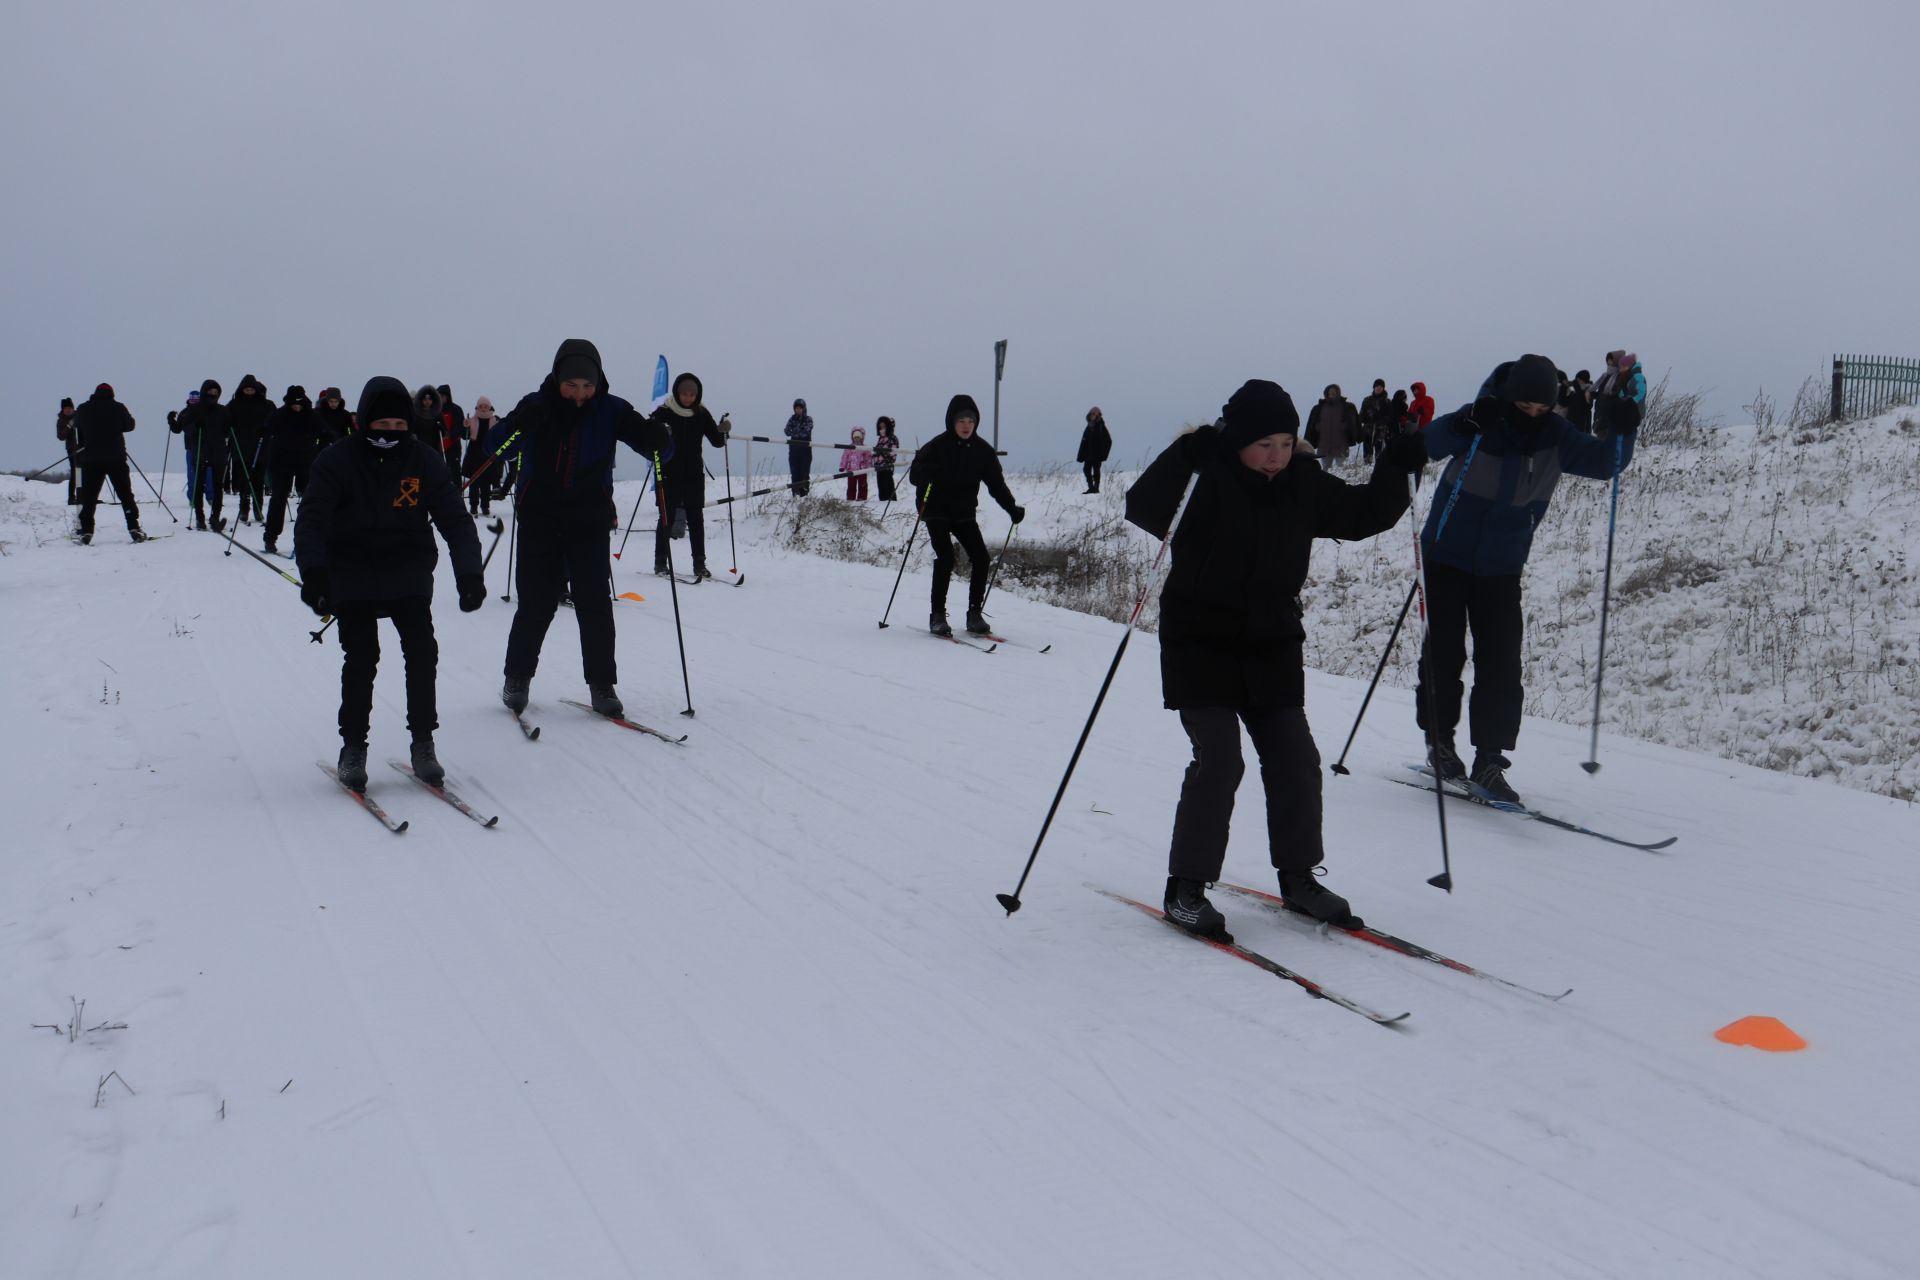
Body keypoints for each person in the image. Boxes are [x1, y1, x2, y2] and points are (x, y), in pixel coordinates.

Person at [1124, 379, 1428, 938]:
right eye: (1264, 445)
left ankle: (1298, 877)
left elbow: (1363, 515)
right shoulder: (1205, 478)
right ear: (1237, 440)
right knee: (1220, 760)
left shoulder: (1302, 485)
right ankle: (1185, 888)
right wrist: (1184, 455)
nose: (1276, 457)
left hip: (1270, 643)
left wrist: (1397, 468)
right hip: (1200, 642)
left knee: (1295, 758)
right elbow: (1143, 508)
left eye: (1286, 444)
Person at [1412, 353, 1638, 804]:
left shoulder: (1557, 436)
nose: (1534, 415)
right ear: (1510, 397)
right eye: (1525, 407)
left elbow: (1607, 462)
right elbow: (1429, 444)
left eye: (1542, 408)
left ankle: (1490, 759)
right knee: (1444, 652)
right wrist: (1465, 423)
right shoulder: (1483, 416)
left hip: (1502, 564)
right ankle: (1440, 745)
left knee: (1502, 661)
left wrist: (1625, 424)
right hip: (1446, 555)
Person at [296, 376, 485, 791]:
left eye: (400, 427)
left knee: (421, 650)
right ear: (363, 421)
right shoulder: (336, 461)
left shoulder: (424, 461)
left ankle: (423, 741)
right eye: (382, 425)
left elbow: (455, 519)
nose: (391, 434)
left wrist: (469, 573)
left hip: (407, 570)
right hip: (352, 573)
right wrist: (315, 573)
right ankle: (353, 748)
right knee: (362, 657)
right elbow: (312, 521)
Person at [476, 338, 672, 718]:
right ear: (557, 377)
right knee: (537, 601)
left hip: (589, 516)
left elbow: (659, 450)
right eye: (571, 385)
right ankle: (517, 678)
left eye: (587, 386)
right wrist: (518, 425)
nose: (580, 394)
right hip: (540, 516)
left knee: (594, 601)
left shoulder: (612, 410)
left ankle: (602, 684)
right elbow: (495, 449)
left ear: (598, 381)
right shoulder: (536, 404)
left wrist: (660, 440)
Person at [906, 394, 1024, 636]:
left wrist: (1012, 508)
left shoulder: (983, 452)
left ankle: (974, 614)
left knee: (981, 558)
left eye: (970, 420)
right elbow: (915, 476)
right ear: (952, 422)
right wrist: (928, 470)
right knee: (946, 557)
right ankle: (937, 616)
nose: (966, 425)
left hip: (963, 512)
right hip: (935, 509)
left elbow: (996, 485)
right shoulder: (937, 446)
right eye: (961, 420)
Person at [650, 371, 728, 578]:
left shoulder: (701, 414)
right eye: (684, 394)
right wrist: (656, 430)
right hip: (669, 473)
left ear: (697, 395)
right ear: (677, 393)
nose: (688, 398)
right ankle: (660, 562)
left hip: (693, 473)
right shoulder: (664, 412)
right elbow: (648, 436)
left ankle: (699, 564)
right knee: (666, 517)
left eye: (692, 395)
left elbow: (717, 441)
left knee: (696, 518)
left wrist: (723, 431)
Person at [70, 383, 146, 544]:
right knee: (125, 494)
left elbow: (76, 425)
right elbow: (130, 425)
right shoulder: (118, 407)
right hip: (115, 458)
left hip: (90, 459)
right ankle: (133, 527)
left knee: (89, 497)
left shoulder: (83, 408)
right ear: (111, 394)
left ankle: (87, 531)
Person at [260, 385, 321, 555]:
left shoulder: (312, 416)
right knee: (278, 500)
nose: (297, 406)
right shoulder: (279, 415)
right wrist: (262, 432)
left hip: (305, 463)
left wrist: (332, 437)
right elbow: (266, 427)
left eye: (300, 403)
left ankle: (306, 538)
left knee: (308, 502)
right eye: (294, 403)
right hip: (281, 464)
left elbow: (323, 430)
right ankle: (270, 538)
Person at [172, 378, 231, 531]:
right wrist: (194, 426)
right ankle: (200, 518)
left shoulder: (222, 410)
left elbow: (227, 430)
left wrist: (231, 428)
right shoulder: (194, 409)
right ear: (204, 392)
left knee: (218, 486)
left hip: (218, 452)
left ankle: (214, 518)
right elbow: (185, 429)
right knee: (199, 486)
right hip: (200, 451)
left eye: (216, 392)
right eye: (210, 392)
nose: (213, 395)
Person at [226, 374, 273, 524]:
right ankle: (244, 508)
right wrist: (229, 429)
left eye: (251, 390)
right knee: (243, 479)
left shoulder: (266, 404)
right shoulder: (234, 404)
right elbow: (225, 420)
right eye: (246, 390)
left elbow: (274, 420)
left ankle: (258, 508)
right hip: (241, 447)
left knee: (258, 480)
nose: (249, 392)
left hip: (260, 446)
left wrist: (267, 430)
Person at [1593, 351, 1646, 439]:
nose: (1620, 369)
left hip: (1632, 412)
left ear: (1628, 366)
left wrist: (1628, 402)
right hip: (1623, 412)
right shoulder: (1625, 377)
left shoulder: (1637, 377)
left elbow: (1640, 393)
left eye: (1622, 367)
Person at [1303, 384, 1359, 465]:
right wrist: (1318, 427)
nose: (1331, 395)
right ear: (1326, 394)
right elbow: (1312, 424)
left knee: (1341, 471)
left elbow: (1353, 422)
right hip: (1324, 447)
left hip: (1341, 447)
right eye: (1329, 393)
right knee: (1325, 471)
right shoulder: (1319, 408)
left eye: (1334, 393)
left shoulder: (1346, 407)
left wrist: (1345, 427)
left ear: (1338, 393)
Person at [464, 396, 501, 515]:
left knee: (486, 482)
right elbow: (464, 436)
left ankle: (485, 506)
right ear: (477, 407)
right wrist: (465, 427)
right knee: (474, 482)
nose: (483, 408)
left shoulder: (495, 420)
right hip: (474, 453)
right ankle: (473, 506)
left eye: (486, 406)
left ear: (489, 407)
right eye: (481, 406)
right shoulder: (471, 420)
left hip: (488, 453)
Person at [1078, 407, 1113, 493]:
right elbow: (1083, 442)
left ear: (1098, 415)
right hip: (1088, 454)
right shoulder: (1088, 427)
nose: (1092, 416)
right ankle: (1091, 487)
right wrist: (1080, 455)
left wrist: (1104, 454)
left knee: (1096, 470)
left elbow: (1108, 441)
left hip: (1097, 455)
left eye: (1094, 414)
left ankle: (1096, 488)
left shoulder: (1101, 427)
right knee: (1086, 469)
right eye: (1091, 414)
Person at [1359, 379, 1394, 463]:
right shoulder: (1367, 400)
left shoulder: (1387, 401)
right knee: (1367, 453)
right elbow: (1362, 415)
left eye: (1381, 387)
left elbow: (1390, 416)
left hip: (1381, 431)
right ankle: (1366, 468)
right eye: (1377, 386)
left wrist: (1382, 420)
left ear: (1383, 388)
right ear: (1374, 388)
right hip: (1368, 430)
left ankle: (1379, 468)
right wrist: (1365, 419)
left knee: (1380, 453)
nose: (1378, 388)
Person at [785, 398, 813, 495]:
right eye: (796, 408)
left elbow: (805, 432)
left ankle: (804, 495)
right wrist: (797, 431)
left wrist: (795, 432)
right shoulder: (792, 419)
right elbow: (787, 431)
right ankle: (795, 494)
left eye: (800, 408)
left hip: (805, 451)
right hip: (793, 451)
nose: (798, 410)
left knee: (804, 473)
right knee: (794, 473)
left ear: (804, 408)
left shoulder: (808, 419)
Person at [56, 398, 80, 504]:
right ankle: (71, 497)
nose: (68, 410)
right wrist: (69, 426)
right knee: (76, 472)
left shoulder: (79, 416)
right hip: (72, 449)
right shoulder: (61, 421)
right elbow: (60, 436)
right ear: (63, 409)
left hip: (83, 448)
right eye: (66, 408)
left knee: (86, 472)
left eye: (70, 408)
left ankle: (84, 496)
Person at [872, 416, 901, 502]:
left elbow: (893, 453)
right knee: (881, 487)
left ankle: (892, 502)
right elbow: (876, 451)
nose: (882, 429)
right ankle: (882, 503)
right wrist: (874, 459)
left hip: (887, 467)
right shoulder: (880, 439)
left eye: (884, 427)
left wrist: (884, 457)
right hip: (879, 468)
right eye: (880, 427)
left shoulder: (892, 438)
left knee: (888, 486)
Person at [840, 426, 872, 501]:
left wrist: (869, 466)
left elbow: (868, 458)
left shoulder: (865, 448)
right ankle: (850, 498)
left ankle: (862, 498)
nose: (856, 439)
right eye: (855, 437)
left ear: (862, 438)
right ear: (852, 437)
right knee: (851, 486)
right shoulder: (849, 448)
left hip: (862, 470)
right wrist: (842, 466)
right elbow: (844, 457)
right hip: (851, 470)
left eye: (858, 437)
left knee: (862, 485)